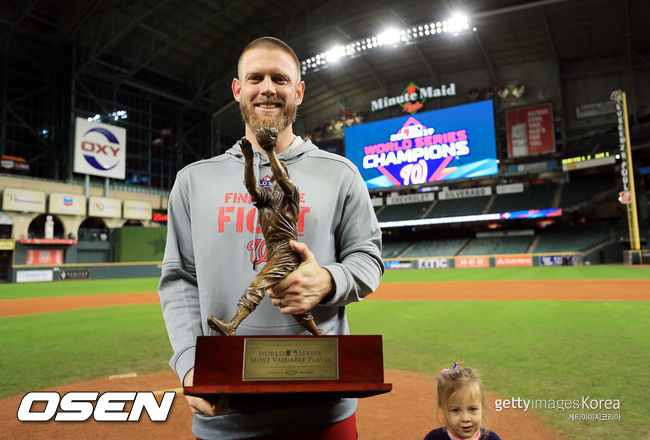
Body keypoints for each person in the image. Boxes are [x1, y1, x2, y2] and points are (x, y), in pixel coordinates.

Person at [158, 35, 383, 440]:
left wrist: (330, 281)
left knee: (272, 293)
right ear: (237, 89)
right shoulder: (193, 180)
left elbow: (368, 259)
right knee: (262, 290)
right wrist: (192, 364)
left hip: (323, 407)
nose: (267, 88)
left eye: (280, 78)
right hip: (226, 410)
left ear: (298, 91)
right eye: (255, 77)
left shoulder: (340, 173)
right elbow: (179, 280)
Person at [424, 366, 502, 440]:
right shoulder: (433, 438)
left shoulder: (492, 438)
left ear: (482, 406)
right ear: (443, 409)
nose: (465, 418)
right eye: (456, 410)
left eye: (473, 409)